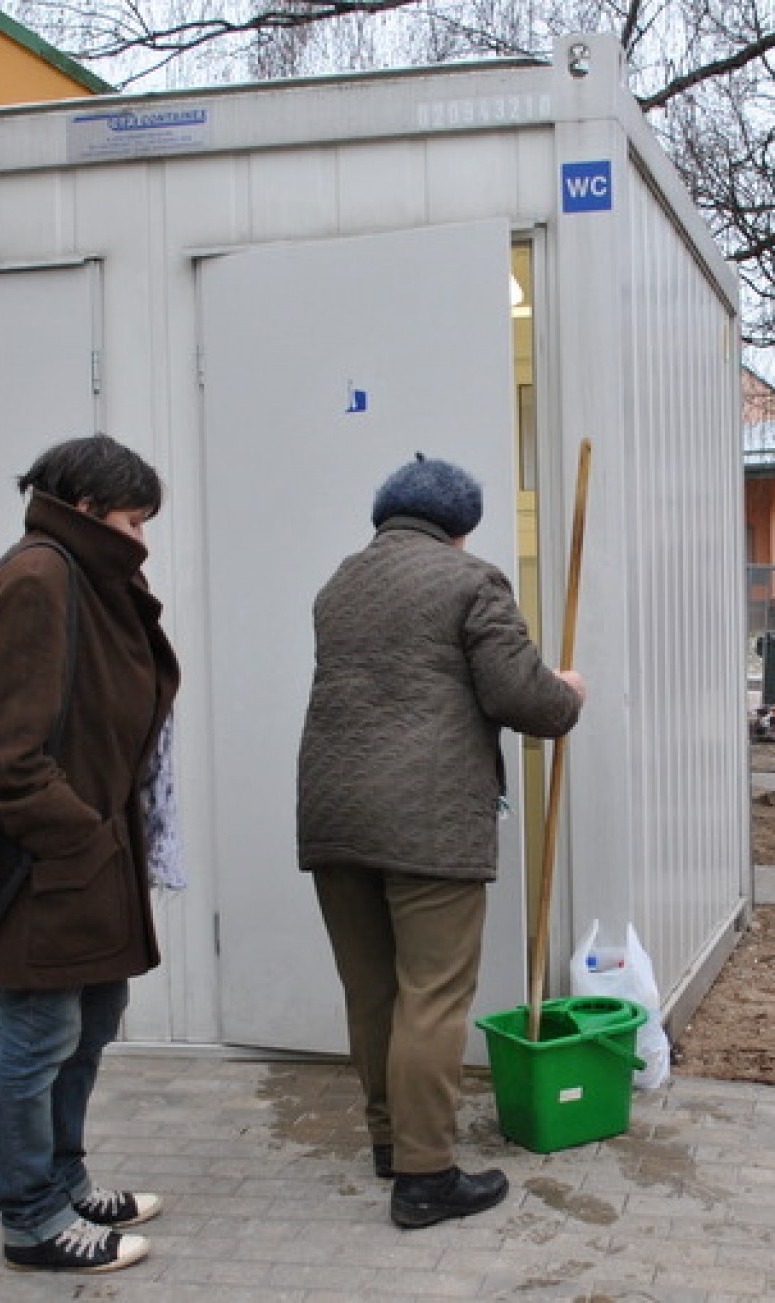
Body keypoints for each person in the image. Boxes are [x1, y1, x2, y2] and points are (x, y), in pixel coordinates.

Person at [297, 454, 585, 1229]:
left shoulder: (339, 583)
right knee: (432, 995)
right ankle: (426, 1177)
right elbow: (520, 695)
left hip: (335, 816)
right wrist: (569, 693)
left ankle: (393, 1141)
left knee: (374, 991)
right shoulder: (472, 581)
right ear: (460, 529)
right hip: (427, 820)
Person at [0, 434, 180, 1273]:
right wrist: (86, 835)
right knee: (39, 1036)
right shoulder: (38, 579)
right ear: (86, 508)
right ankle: (31, 1217)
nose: (143, 538)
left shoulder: (85, 575)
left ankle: (64, 1175)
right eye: (132, 518)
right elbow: (2, 760)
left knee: (85, 1029)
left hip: (92, 857)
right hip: (52, 863)